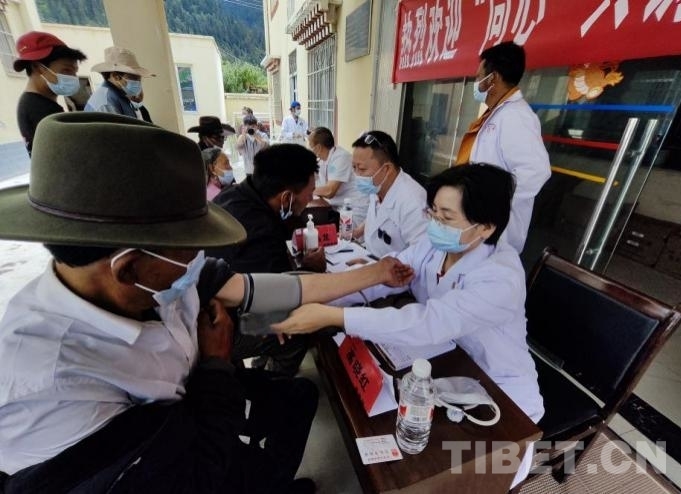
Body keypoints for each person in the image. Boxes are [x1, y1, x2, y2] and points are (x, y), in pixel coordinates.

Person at [0, 112, 413, 493]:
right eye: (187, 252)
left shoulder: (154, 278)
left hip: (194, 389)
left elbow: (258, 289)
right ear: (128, 269)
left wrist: (374, 275)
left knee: (297, 398)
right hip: (172, 456)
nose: (198, 260)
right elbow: (183, 477)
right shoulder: (50, 382)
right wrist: (216, 364)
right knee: (243, 463)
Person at [274, 163, 544, 486]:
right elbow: (388, 277)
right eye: (433, 213)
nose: (435, 224)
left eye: (446, 217)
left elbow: (428, 322)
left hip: (498, 388)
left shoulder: (501, 277)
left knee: (468, 479)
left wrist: (332, 317)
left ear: (485, 227)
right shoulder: (436, 245)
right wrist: (320, 303)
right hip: (442, 361)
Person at [208, 144, 326, 375]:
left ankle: (260, 363)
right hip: (220, 325)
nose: (311, 198)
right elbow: (281, 293)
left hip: (216, 299)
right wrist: (309, 268)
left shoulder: (235, 195)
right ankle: (273, 381)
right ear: (286, 197)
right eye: (310, 193)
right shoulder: (260, 231)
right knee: (295, 331)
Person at [455, 41, 551, 253]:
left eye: (479, 77)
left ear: (493, 78)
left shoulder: (517, 116)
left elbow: (536, 171)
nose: (476, 83)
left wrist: (490, 201)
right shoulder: (498, 113)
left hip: (496, 228)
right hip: (478, 221)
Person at [352, 130, 427, 258]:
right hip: (369, 256)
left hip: (394, 268)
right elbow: (377, 216)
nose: (357, 175)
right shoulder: (377, 185)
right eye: (354, 168)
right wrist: (357, 232)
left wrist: (378, 267)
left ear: (386, 169)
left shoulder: (413, 202)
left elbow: (421, 256)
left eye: (362, 169)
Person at [12, 31, 87, 155]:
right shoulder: (40, 110)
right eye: (66, 70)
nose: (73, 77)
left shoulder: (33, 103)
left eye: (75, 71)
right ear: (37, 67)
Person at [310, 127, 368, 227]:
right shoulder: (323, 160)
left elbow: (329, 191)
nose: (310, 149)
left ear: (318, 147)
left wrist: (308, 190)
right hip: (338, 208)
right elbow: (311, 176)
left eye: (311, 146)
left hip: (354, 210)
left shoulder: (341, 157)